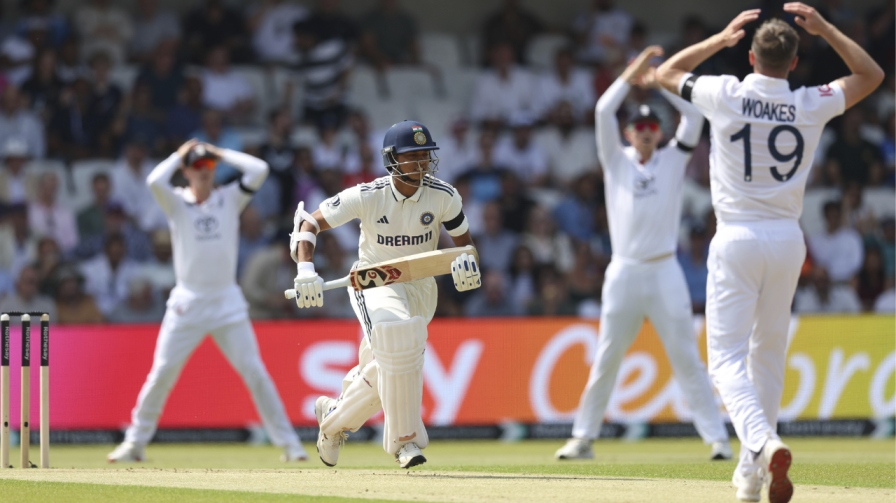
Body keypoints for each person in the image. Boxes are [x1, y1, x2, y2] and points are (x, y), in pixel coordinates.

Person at [655, 4, 884, 502]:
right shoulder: (810, 101)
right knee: (768, 357)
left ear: (751, 58)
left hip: (737, 235)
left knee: (725, 361)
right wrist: (826, 30)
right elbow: (872, 74)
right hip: (786, 238)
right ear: (795, 62)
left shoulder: (725, 92)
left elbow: (665, 72)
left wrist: (718, 39)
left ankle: (761, 442)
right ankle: (751, 476)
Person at [554, 47, 732, 464]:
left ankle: (717, 441)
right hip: (625, 273)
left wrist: (660, 83)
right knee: (607, 357)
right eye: (640, 126)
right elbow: (602, 111)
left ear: (659, 131)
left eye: (653, 126)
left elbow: (694, 118)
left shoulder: (673, 158)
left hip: (664, 271)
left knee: (686, 356)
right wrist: (632, 74)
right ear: (630, 133)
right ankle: (583, 438)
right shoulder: (615, 160)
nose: (648, 131)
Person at [289, 120, 481, 469]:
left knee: (389, 369)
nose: (422, 164)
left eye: (426, 155)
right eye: (413, 156)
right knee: (399, 338)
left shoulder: (444, 196)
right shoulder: (368, 194)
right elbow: (309, 223)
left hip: (421, 287)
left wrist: (466, 265)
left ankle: (332, 419)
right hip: (373, 281)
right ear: (392, 159)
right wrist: (305, 269)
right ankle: (405, 443)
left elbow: (465, 247)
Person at [107, 140, 307, 463]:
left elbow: (261, 169)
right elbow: (153, 181)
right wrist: (179, 154)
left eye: (208, 167)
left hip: (227, 302)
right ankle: (135, 443)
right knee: (161, 374)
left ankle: (290, 445)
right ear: (186, 171)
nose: (204, 172)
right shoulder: (177, 203)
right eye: (197, 167)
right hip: (187, 303)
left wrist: (219, 153)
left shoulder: (229, 199)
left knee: (255, 373)